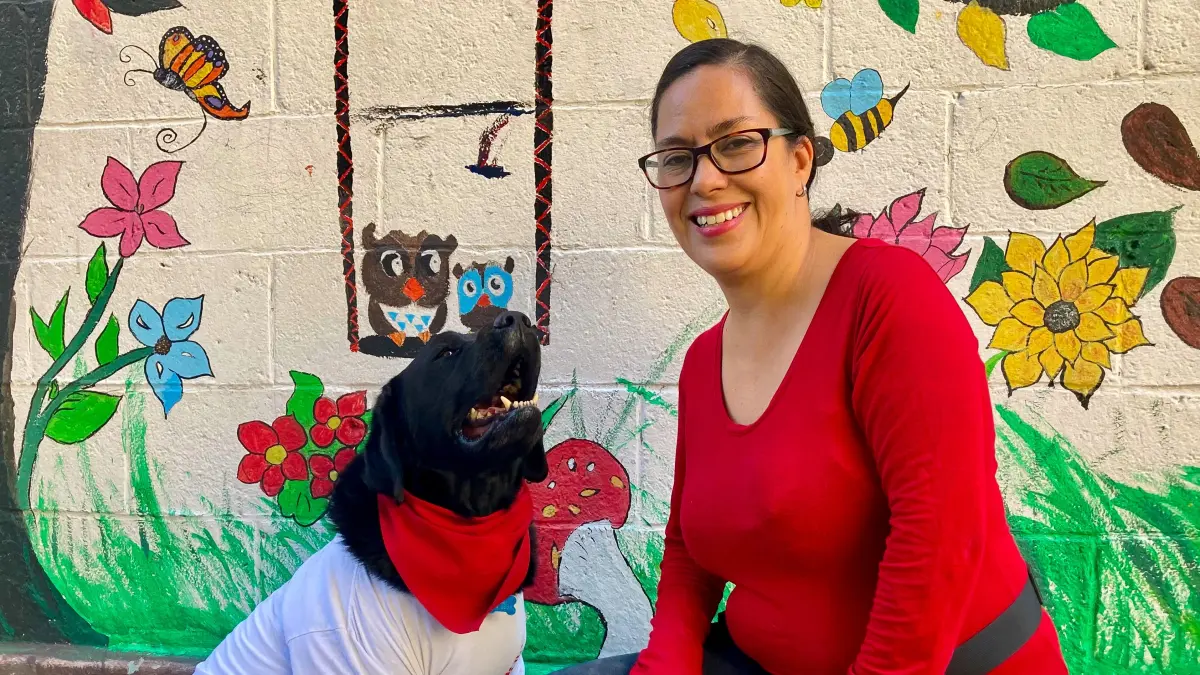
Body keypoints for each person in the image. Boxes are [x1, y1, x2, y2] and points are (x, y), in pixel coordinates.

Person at [549, 39, 1069, 675]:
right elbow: (688, 551)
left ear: (800, 161)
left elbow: (939, 539)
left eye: (736, 143)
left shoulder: (887, 298)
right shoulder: (705, 360)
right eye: (678, 158)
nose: (704, 180)